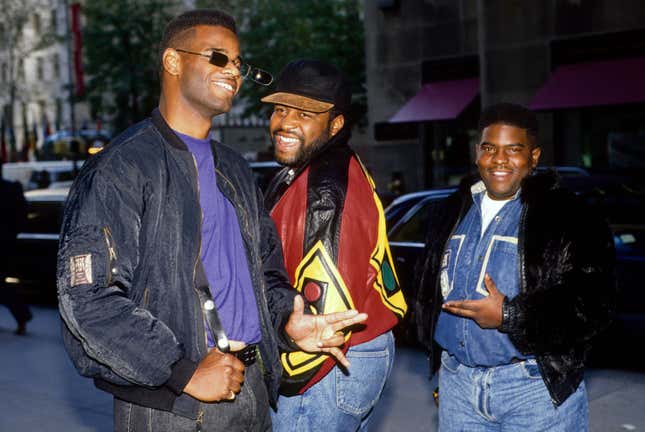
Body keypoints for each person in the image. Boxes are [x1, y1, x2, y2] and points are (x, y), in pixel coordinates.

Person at [57, 10, 366, 432]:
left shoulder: (234, 168)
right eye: (218, 58)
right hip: (173, 406)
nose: (234, 72)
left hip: (251, 391)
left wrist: (287, 321)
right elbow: (88, 300)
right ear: (172, 61)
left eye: (239, 64)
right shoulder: (122, 167)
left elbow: (265, 273)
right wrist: (183, 372)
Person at [414, 102, 615, 431]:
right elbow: (427, 290)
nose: (500, 160)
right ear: (477, 152)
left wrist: (510, 315)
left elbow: (594, 304)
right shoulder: (448, 211)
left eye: (514, 149)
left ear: (534, 157)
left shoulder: (569, 215)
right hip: (458, 387)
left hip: (533, 390)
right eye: (490, 148)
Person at [262, 59, 408, 431]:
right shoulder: (316, 167)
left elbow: (322, 316)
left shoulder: (325, 189)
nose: (285, 122)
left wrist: (284, 379)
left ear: (336, 124)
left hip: (325, 363)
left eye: (305, 113)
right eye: (280, 109)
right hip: (356, 349)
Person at [0, 169, 32, 335]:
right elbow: (23, 214)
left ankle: (22, 314)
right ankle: (22, 315)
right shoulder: (12, 188)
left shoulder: (9, 189)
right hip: (8, 242)